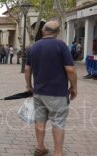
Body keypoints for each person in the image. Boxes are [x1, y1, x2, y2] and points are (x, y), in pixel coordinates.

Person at [25, 21, 77, 156]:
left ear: (43, 31)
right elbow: (70, 69)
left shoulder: (33, 47)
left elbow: (27, 69)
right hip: (57, 93)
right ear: (58, 32)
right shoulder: (61, 45)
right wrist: (74, 87)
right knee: (58, 121)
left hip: (38, 92)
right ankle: (58, 153)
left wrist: (29, 86)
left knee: (40, 119)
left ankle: (40, 147)